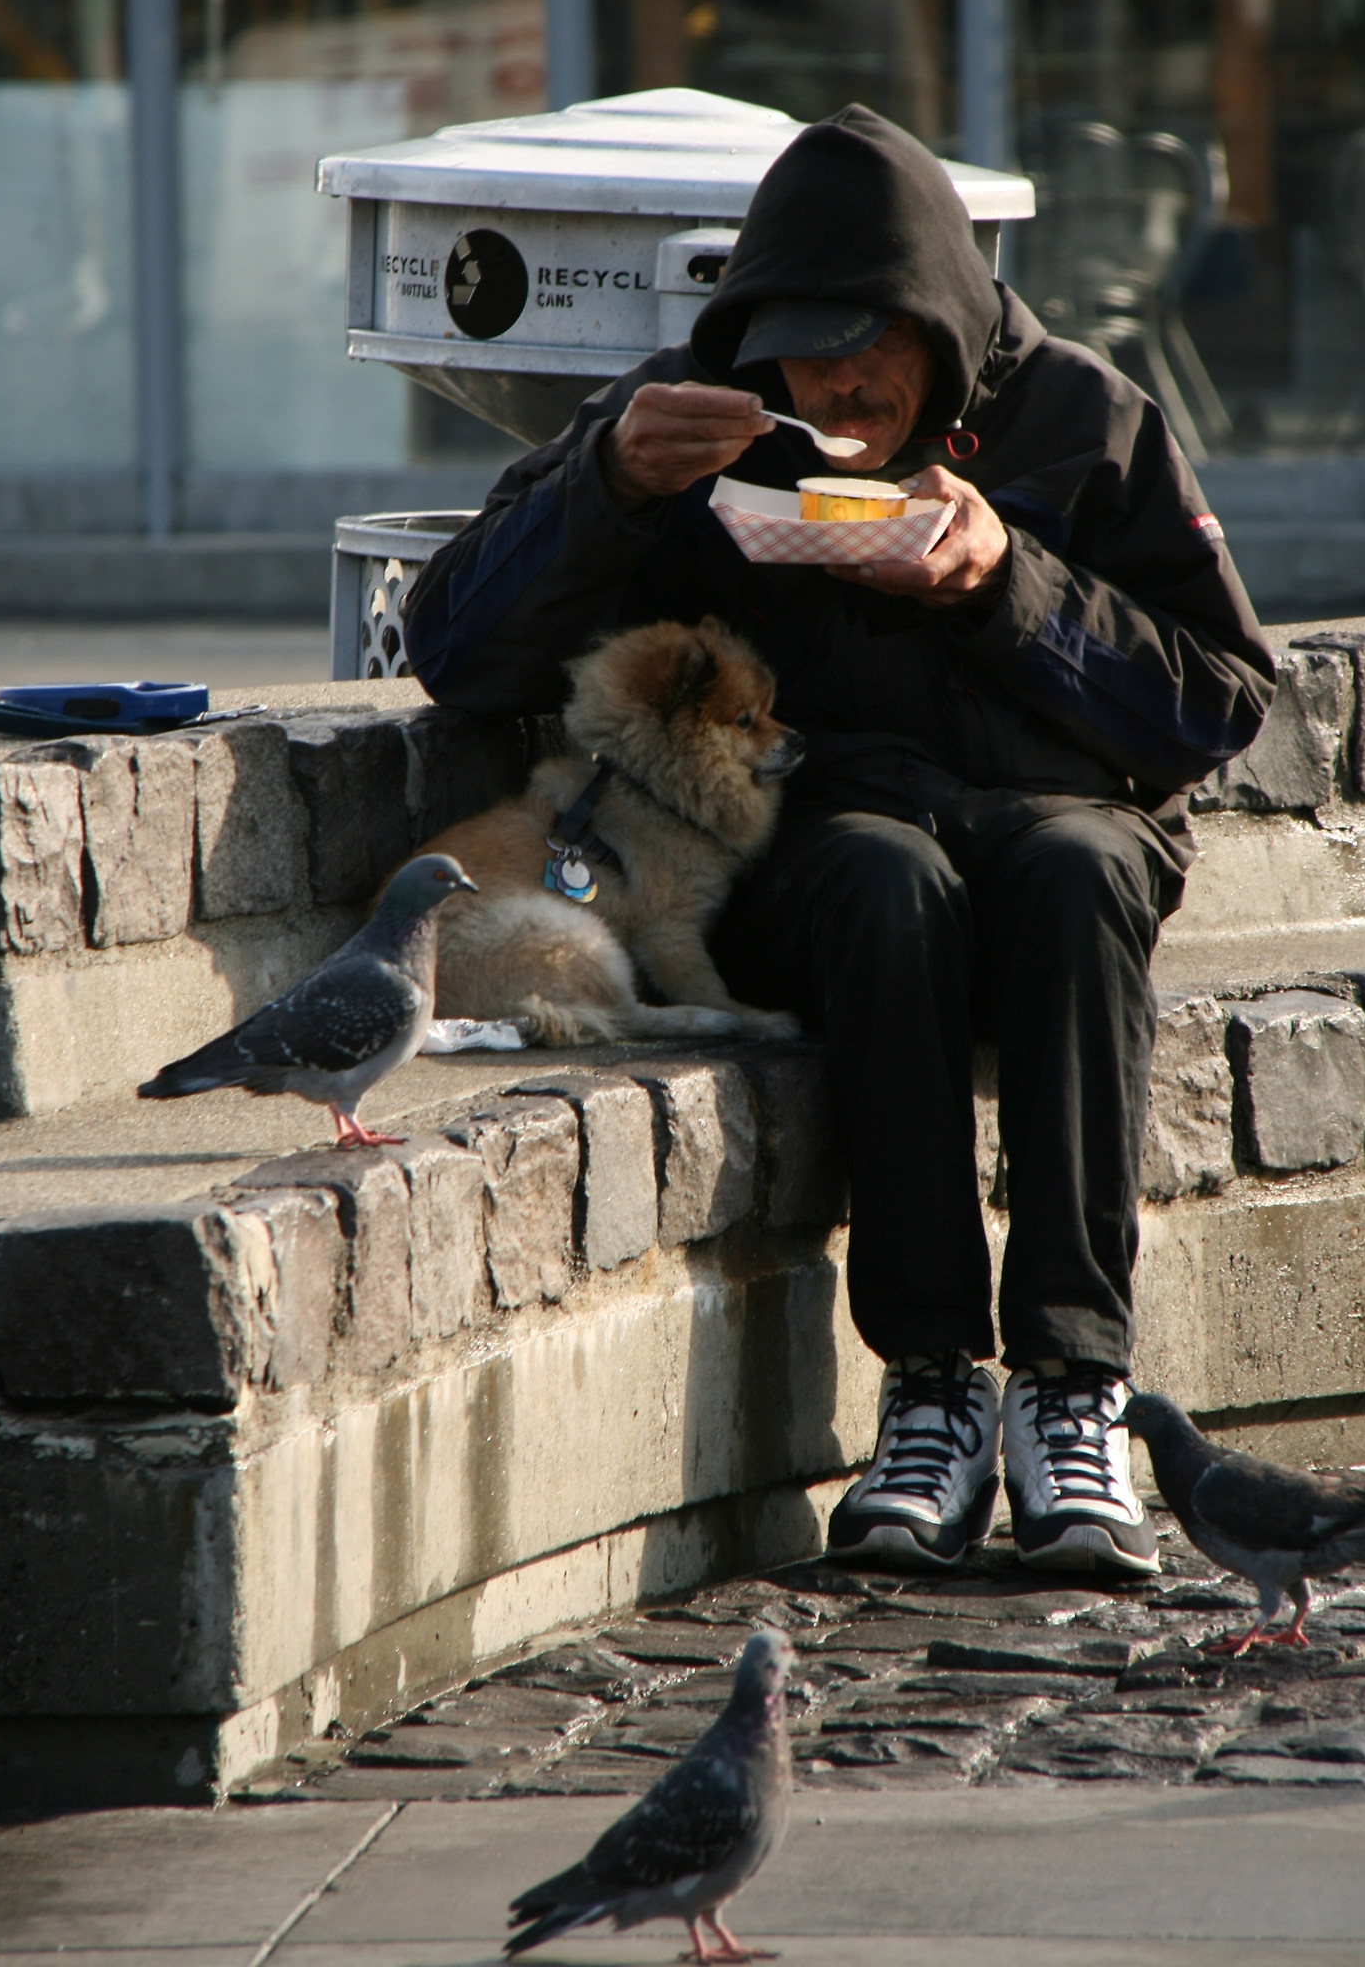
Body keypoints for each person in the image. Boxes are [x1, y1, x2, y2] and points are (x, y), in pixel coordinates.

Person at [402, 105, 1275, 1579]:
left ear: (941, 321)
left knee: (1075, 867)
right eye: (803, 348)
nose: (832, 381)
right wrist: (605, 489)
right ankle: (931, 1389)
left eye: (866, 344)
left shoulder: (1087, 417)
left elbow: (1217, 701)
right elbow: (454, 650)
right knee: (882, 874)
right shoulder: (692, 411)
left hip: (1057, 831)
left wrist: (1011, 582)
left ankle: (1073, 1393)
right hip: (828, 853)